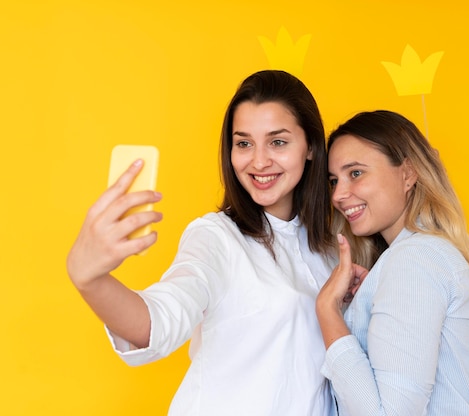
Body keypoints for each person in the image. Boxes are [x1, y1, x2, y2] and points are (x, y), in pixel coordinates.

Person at [66, 70, 339, 415]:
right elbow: (159, 321)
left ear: (311, 147)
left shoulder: (334, 248)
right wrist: (90, 279)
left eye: (278, 142)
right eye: (243, 143)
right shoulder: (216, 237)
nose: (258, 160)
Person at [316, 110, 469, 415]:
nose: (339, 195)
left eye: (355, 173)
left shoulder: (416, 259)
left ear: (407, 174)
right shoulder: (413, 258)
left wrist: (328, 312)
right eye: (333, 181)